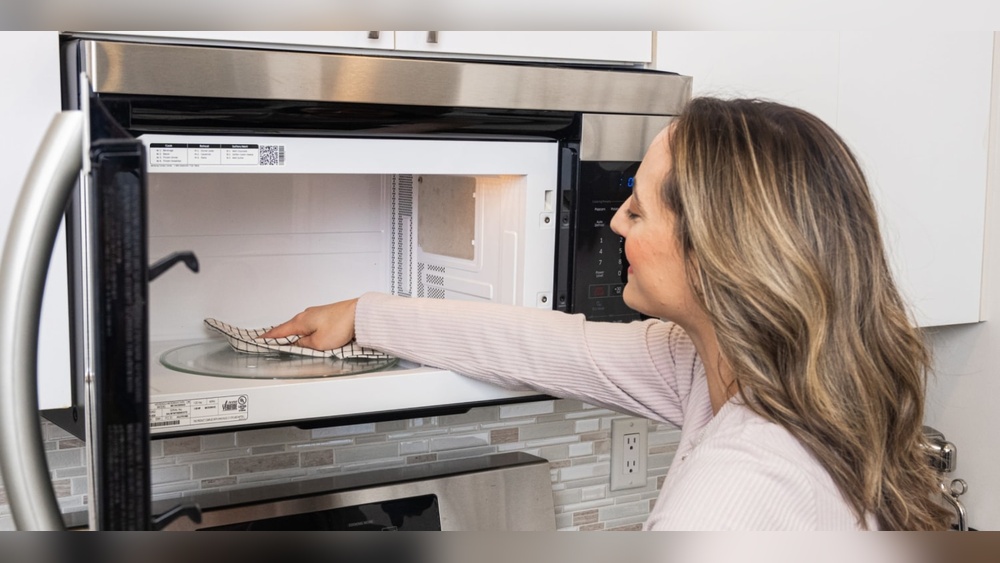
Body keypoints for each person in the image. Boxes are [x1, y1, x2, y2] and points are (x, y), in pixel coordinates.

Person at [262, 97, 953, 531]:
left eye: (640, 207)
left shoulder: (733, 494)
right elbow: (550, 346)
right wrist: (365, 313)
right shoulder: (748, 372)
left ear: (716, 251)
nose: (617, 221)